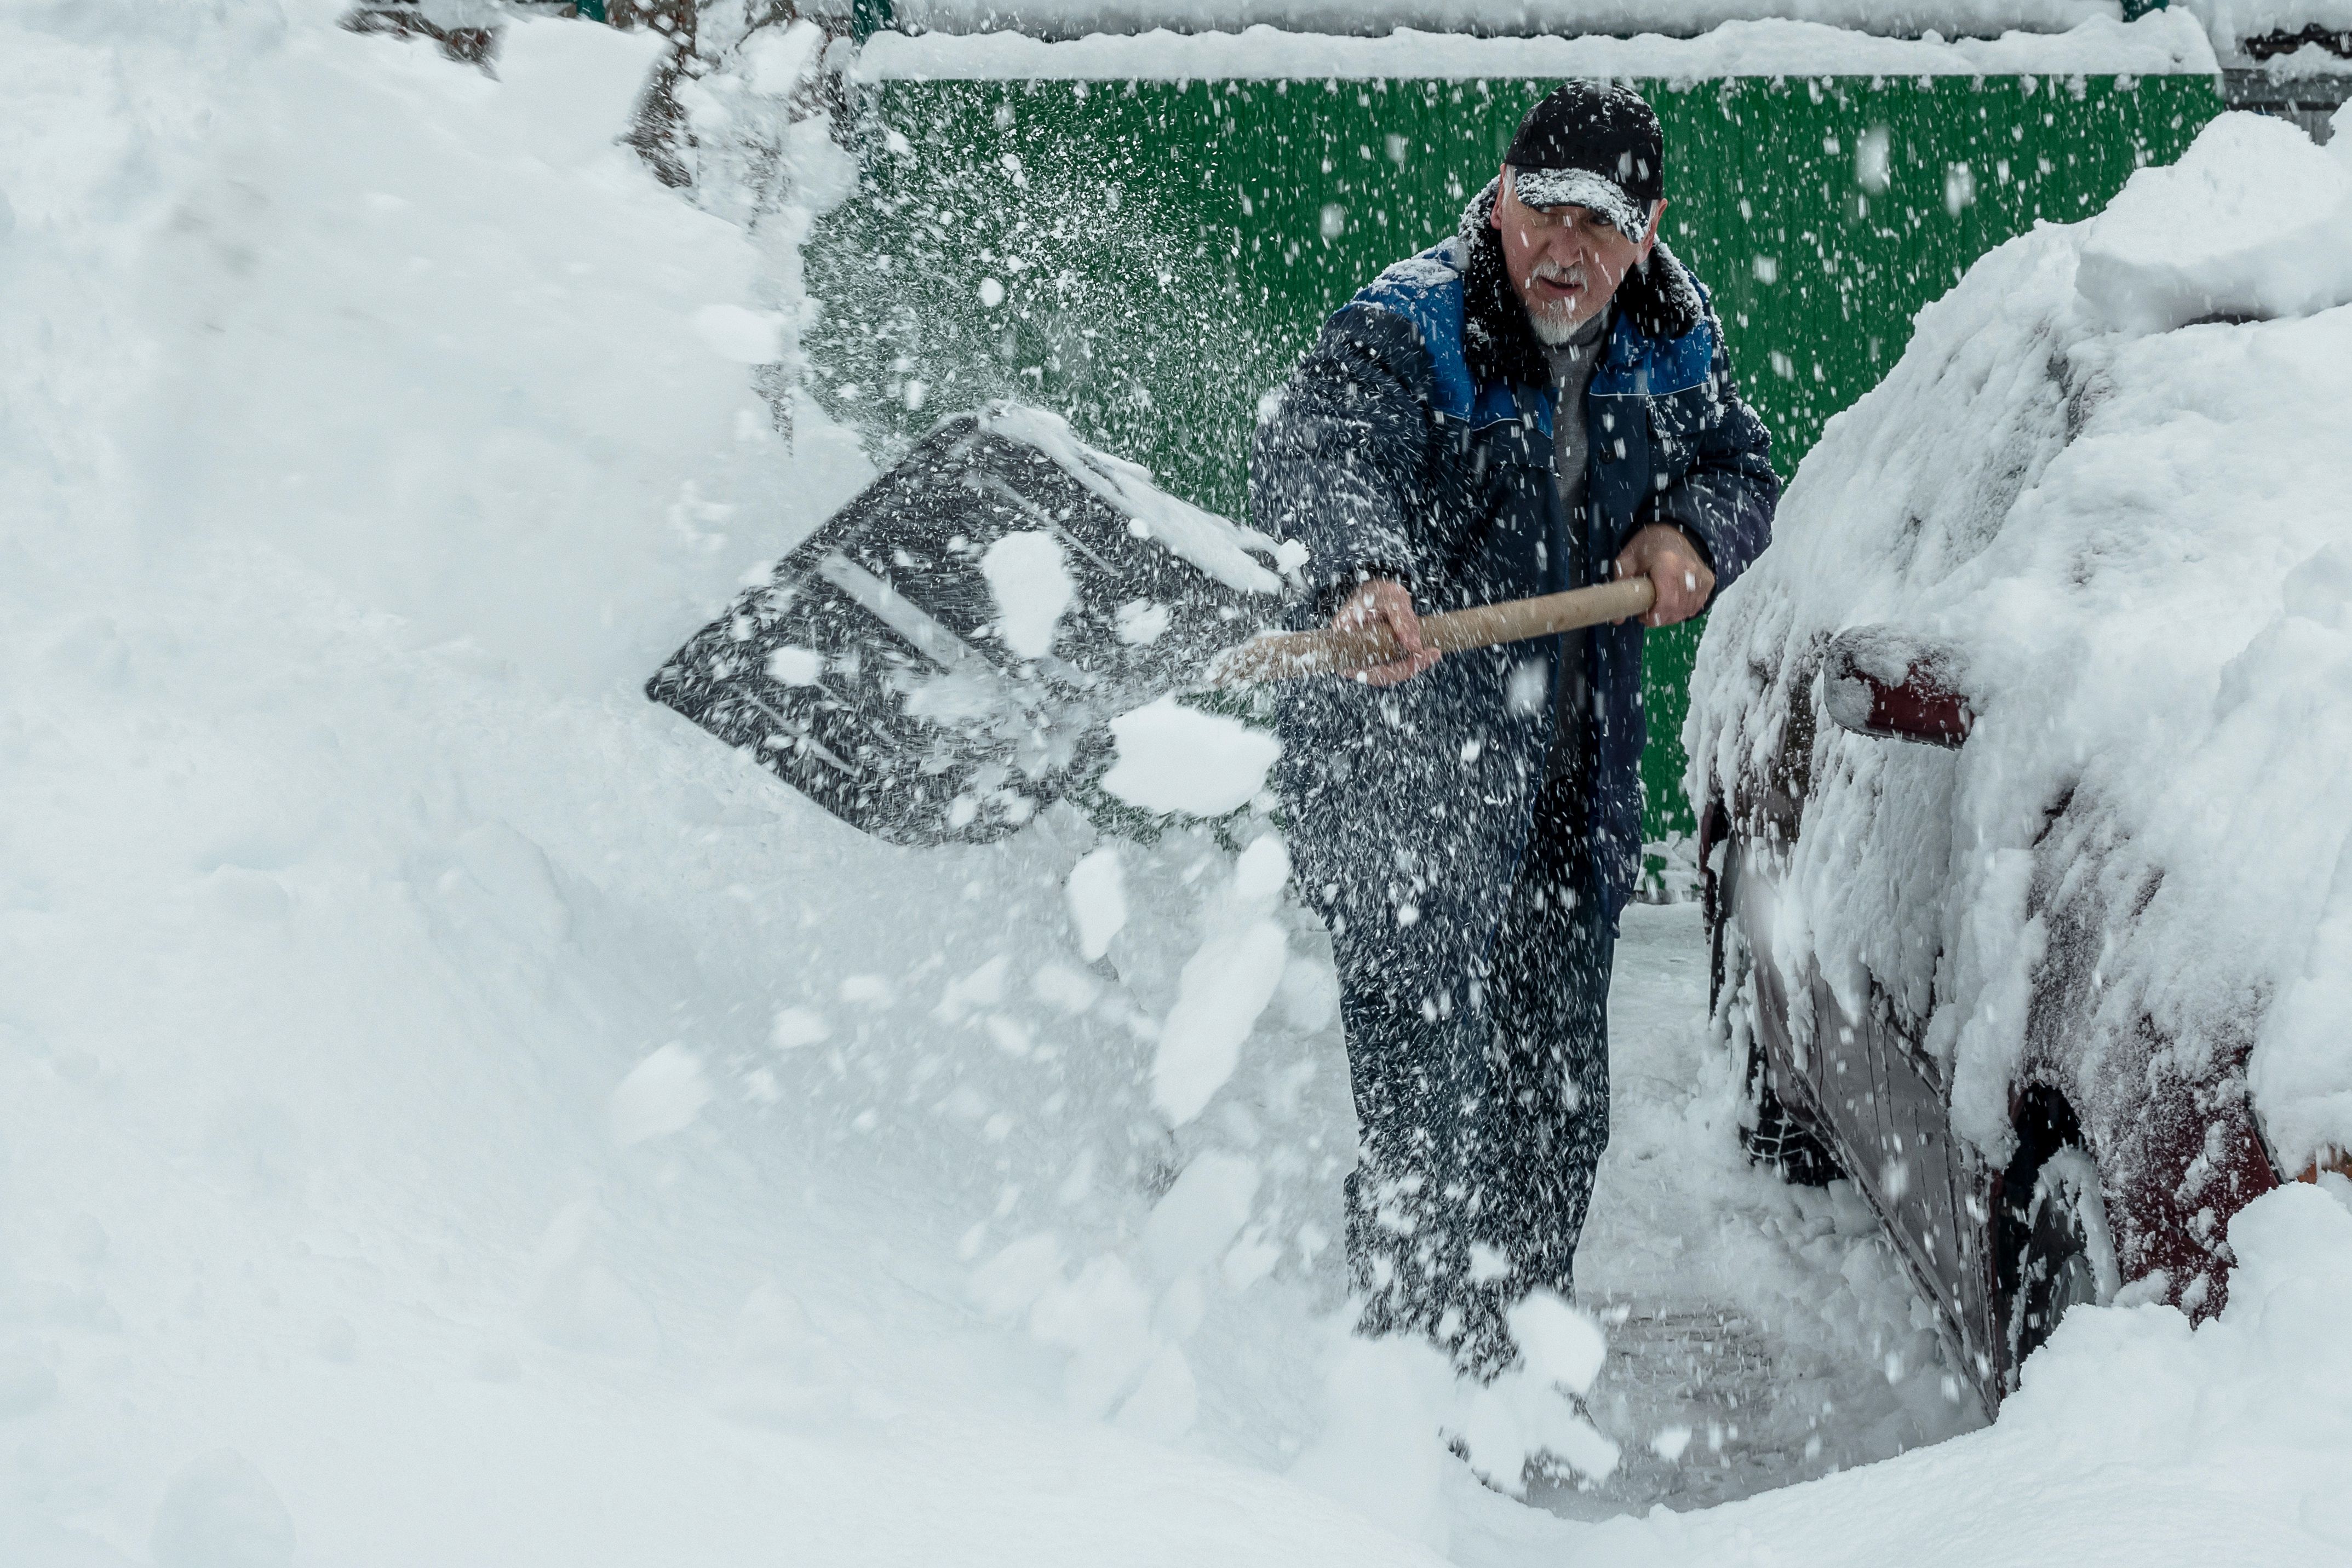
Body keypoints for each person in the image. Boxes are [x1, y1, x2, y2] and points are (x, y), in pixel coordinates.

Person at [1254, 81, 1779, 1375]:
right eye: (1538, 211)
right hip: (1403, 783)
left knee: (1554, 1122)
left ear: (1645, 234)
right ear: (1495, 200)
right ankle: (1400, 1400)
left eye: (1597, 227)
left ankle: (1502, 1377)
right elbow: (1320, 454)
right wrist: (1362, 574)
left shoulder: (1671, 337)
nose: (1562, 249)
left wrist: (1688, 533)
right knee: (1428, 1127)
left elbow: (1738, 469)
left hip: (1565, 780)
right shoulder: (1409, 324)